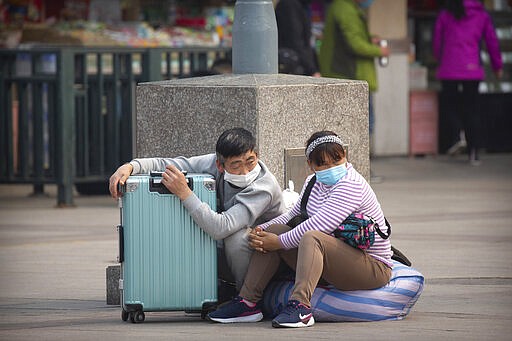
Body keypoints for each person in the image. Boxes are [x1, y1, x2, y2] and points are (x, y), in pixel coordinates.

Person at [207, 130, 392, 328]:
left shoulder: (351, 185)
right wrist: (260, 230)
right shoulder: (313, 182)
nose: (331, 167)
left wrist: (278, 242)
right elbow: (291, 214)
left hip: (372, 266)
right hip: (337, 259)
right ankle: (248, 303)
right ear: (310, 165)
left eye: (337, 160)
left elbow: (320, 224)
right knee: (277, 228)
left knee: (312, 237)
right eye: (322, 163)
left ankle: (301, 307)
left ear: (345, 157)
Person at [109, 128, 286, 290]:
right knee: (193, 234)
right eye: (236, 165)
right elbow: (169, 165)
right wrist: (130, 167)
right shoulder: (211, 163)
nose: (245, 171)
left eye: (250, 161)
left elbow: (221, 227)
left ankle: (248, 299)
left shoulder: (264, 187)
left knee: (236, 237)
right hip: (237, 256)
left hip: (270, 259)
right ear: (220, 166)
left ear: (257, 155)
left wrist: (185, 193)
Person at [432, 0, 503, 165]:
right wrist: (497, 65)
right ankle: (473, 152)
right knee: (472, 110)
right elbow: (492, 41)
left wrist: (439, 58)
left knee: (451, 106)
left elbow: (437, 40)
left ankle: (458, 135)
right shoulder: (482, 14)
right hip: (472, 69)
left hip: (449, 68)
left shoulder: (445, 14)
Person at [318, 0, 389, 146]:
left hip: (350, 76)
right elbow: (354, 43)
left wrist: (370, 40)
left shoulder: (346, 7)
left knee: (358, 126)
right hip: (348, 76)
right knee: (361, 127)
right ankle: (358, 163)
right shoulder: (344, 9)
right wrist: (379, 51)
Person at [275, 0, 320, 77]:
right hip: (293, 66)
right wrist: (312, 70)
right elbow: (294, 42)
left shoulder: (302, 5)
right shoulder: (289, 5)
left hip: (301, 63)